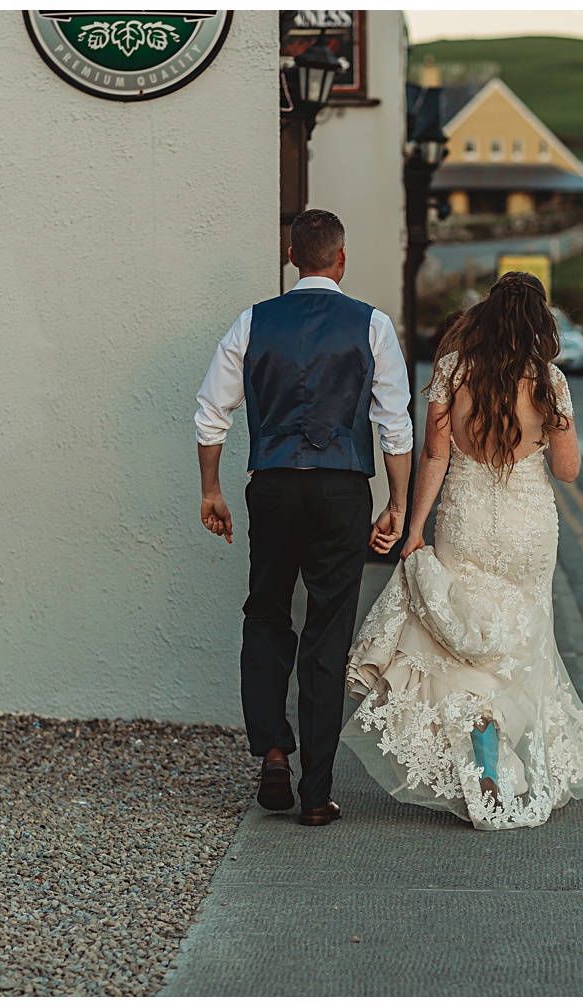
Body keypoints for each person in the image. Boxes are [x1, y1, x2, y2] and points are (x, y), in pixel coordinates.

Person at [341, 272, 583, 830]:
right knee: (524, 644)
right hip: (527, 528)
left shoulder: (453, 370)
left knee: (465, 646)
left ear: (487, 318)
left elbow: (435, 457)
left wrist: (413, 528)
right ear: (541, 326)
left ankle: (485, 766)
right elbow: (567, 471)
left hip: (464, 520)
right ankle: (526, 768)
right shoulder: (550, 382)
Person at [195, 208, 413, 827]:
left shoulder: (252, 322)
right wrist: (396, 504)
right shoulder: (371, 325)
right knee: (328, 628)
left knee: (265, 611)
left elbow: (213, 412)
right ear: (340, 260)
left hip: (272, 486)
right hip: (342, 489)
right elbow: (393, 425)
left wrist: (211, 489)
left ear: (293, 258)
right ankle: (316, 793)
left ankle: (272, 748)